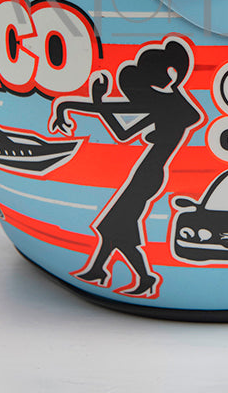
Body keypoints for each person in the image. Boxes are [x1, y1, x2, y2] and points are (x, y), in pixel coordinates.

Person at [51, 38, 203, 297]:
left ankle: (143, 277)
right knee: (113, 226)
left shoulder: (167, 104)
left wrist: (74, 105)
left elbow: (115, 108)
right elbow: (122, 132)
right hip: (147, 170)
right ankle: (100, 270)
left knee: (116, 225)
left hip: (149, 173)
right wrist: (92, 103)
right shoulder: (165, 105)